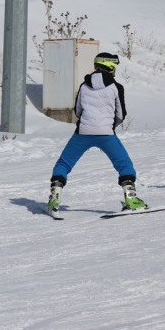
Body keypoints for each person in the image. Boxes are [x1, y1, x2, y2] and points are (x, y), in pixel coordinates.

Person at [48, 52, 146, 217]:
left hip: (83, 132)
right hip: (106, 133)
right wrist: (108, 125)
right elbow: (121, 114)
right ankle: (131, 199)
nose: (115, 69)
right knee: (123, 164)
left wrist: (89, 123)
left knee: (64, 163)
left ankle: (54, 198)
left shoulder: (84, 86)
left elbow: (78, 111)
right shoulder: (116, 87)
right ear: (108, 66)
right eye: (113, 66)